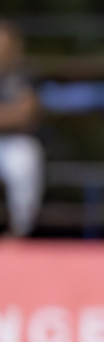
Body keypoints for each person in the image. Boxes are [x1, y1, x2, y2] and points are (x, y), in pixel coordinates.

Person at [0, 21, 43, 237]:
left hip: (16, 142)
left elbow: (26, 114)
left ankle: (20, 232)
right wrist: (10, 114)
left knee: (24, 161)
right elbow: (16, 113)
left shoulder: (23, 75)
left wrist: (11, 116)